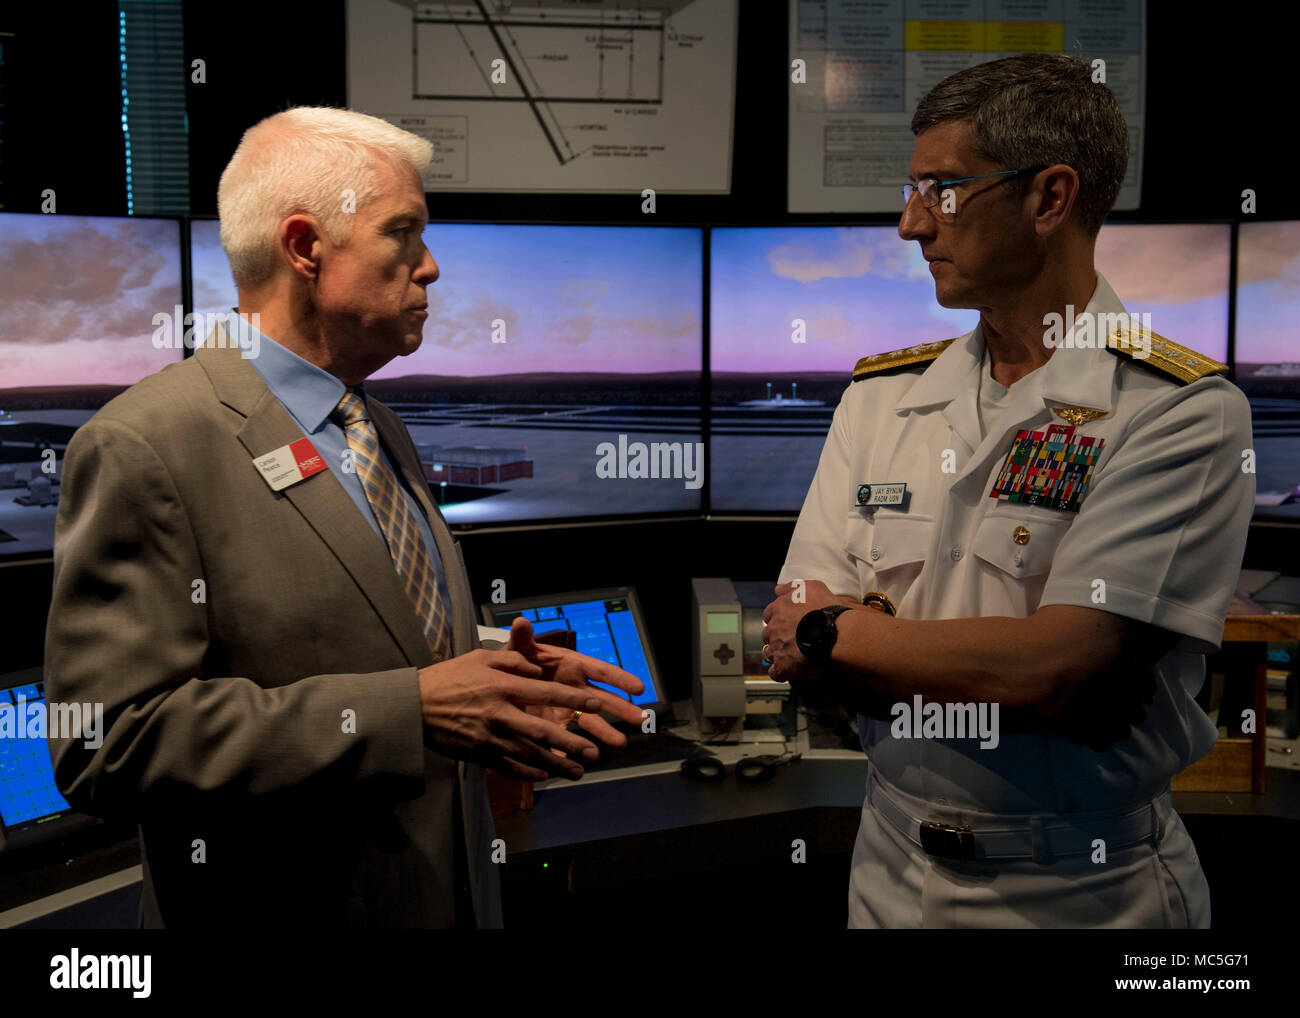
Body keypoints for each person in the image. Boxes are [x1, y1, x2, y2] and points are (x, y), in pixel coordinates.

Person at [43, 106, 645, 929]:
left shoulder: (372, 422)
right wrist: (410, 711)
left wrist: (500, 678)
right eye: (404, 233)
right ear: (304, 247)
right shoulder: (144, 445)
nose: (431, 267)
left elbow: (371, 640)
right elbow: (107, 744)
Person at [762, 54, 1254, 928]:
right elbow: (794, 639)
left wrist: (849, 636)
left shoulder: (1178, 413)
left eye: (942, 190)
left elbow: (1056, 668)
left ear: (1050, 198)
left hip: (1084, 891)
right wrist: (848, 640)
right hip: (885, 872)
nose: (911, 224)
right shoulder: (882, 398)